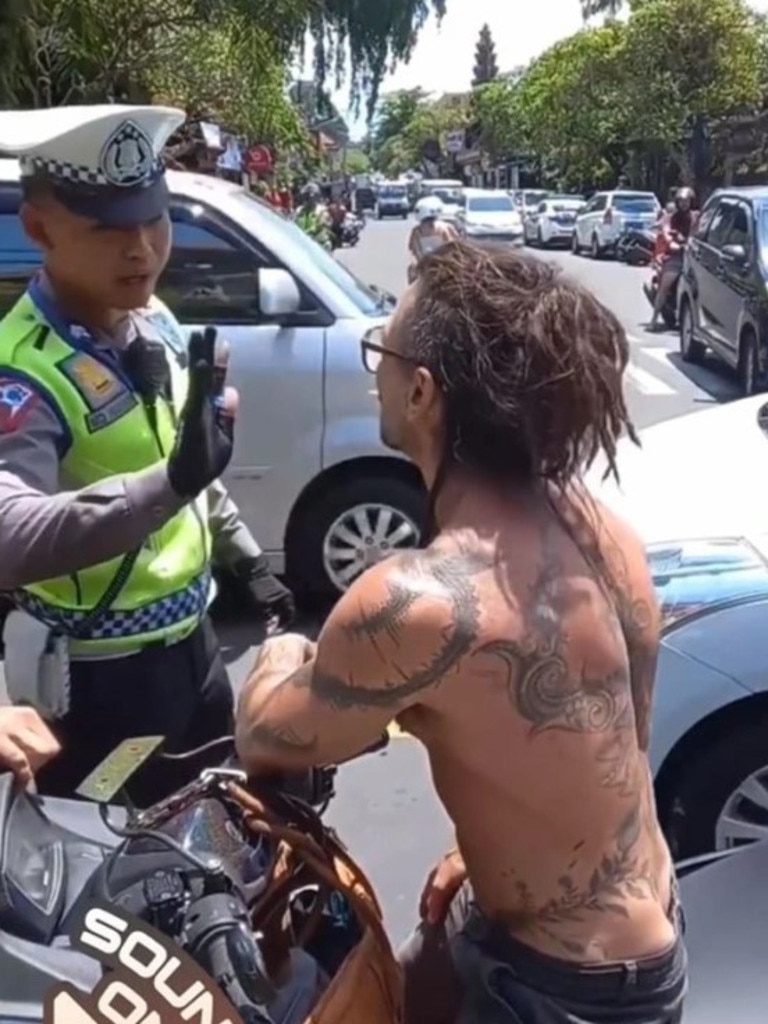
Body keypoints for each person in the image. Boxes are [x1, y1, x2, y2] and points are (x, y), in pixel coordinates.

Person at [233, 241, 687, 1024]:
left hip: (557, 989)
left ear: (420, 392)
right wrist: (489, 856)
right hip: (643, 944)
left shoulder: (419, 603)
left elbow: (270, 738)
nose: (371, 366)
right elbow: (612, 752)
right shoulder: (602, 532)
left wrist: (280, 648)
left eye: (381, 348)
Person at [0, 104, 294, 805]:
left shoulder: (153, 318)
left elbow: (183, 456)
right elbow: (10, 535)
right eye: (108, 229)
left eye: (153, 219)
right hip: (102, 685)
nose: (141, 249)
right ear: (39, 228)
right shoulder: (21, 370)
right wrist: (168, 482)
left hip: (195, 648)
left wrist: (249, 562)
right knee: (123, 876)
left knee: (222, 830)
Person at [650, 187, 696, 330]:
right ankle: (654, 318)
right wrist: (674, 243)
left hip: (694, 256)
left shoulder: (697, 217)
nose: (684, 204)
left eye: (687, 201)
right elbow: (666, 232)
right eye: (681, 201)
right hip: (676, 255)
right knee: (665, 284)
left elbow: (702, 232)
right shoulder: (670, 218)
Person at [407, 197, 457, 283]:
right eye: (425, 222)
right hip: (426, 264)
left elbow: (452, 246)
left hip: (443, 263)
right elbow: (415, 250)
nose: (427, 225)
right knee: (412, 270)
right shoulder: (416, 232)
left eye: (429, 221)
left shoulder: (444, 228)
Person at [295, 183, 331, 249]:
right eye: (306, 196)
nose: (309, 198)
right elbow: (294, 224)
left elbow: (320, 225)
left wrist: (306, 233)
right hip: (303, 244)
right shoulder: (299, 210)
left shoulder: (322, 210)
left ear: (317, 196)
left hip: (320, 244)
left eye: (312, 195)